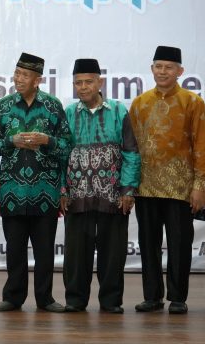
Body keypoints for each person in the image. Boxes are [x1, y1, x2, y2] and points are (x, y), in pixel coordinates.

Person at [0, 53, 71, 312]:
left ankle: (45, 298)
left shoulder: (53, 106)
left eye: (24, 75)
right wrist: (12, 141)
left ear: (37, 80)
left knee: (45, 250)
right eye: (17, 73)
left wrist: (48, 141)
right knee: (15, 249)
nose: (18, 79)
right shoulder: (3, 106)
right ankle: (13, 296)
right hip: (13, 189)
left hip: (45, 191)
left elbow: (68, 146)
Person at [130, 46, 205, 314]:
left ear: (180, 72)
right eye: (158, 66)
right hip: (146, 186)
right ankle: (152, 297)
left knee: (179, 243)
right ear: (152, 69)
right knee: (148, 243)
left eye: (169, 67)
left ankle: (178, 297)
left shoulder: (192, 102)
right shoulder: (140, 103)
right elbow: (131, 148)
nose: (163, 71)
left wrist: (200, 186)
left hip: (181, 188)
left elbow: (202, 146)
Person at [61, 59, 141, 314]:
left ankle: (111, 301)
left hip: (112, 194)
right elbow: (61, 154)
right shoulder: (68, 113)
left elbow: (130, 152)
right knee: (76, 253)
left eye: (88, 82)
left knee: (113, 251)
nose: (83, 87)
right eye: (78, 83)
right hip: (77, 193)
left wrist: (128, 189)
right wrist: (62, 190)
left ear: (100, 82)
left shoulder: (118, 111)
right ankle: (75, 300)